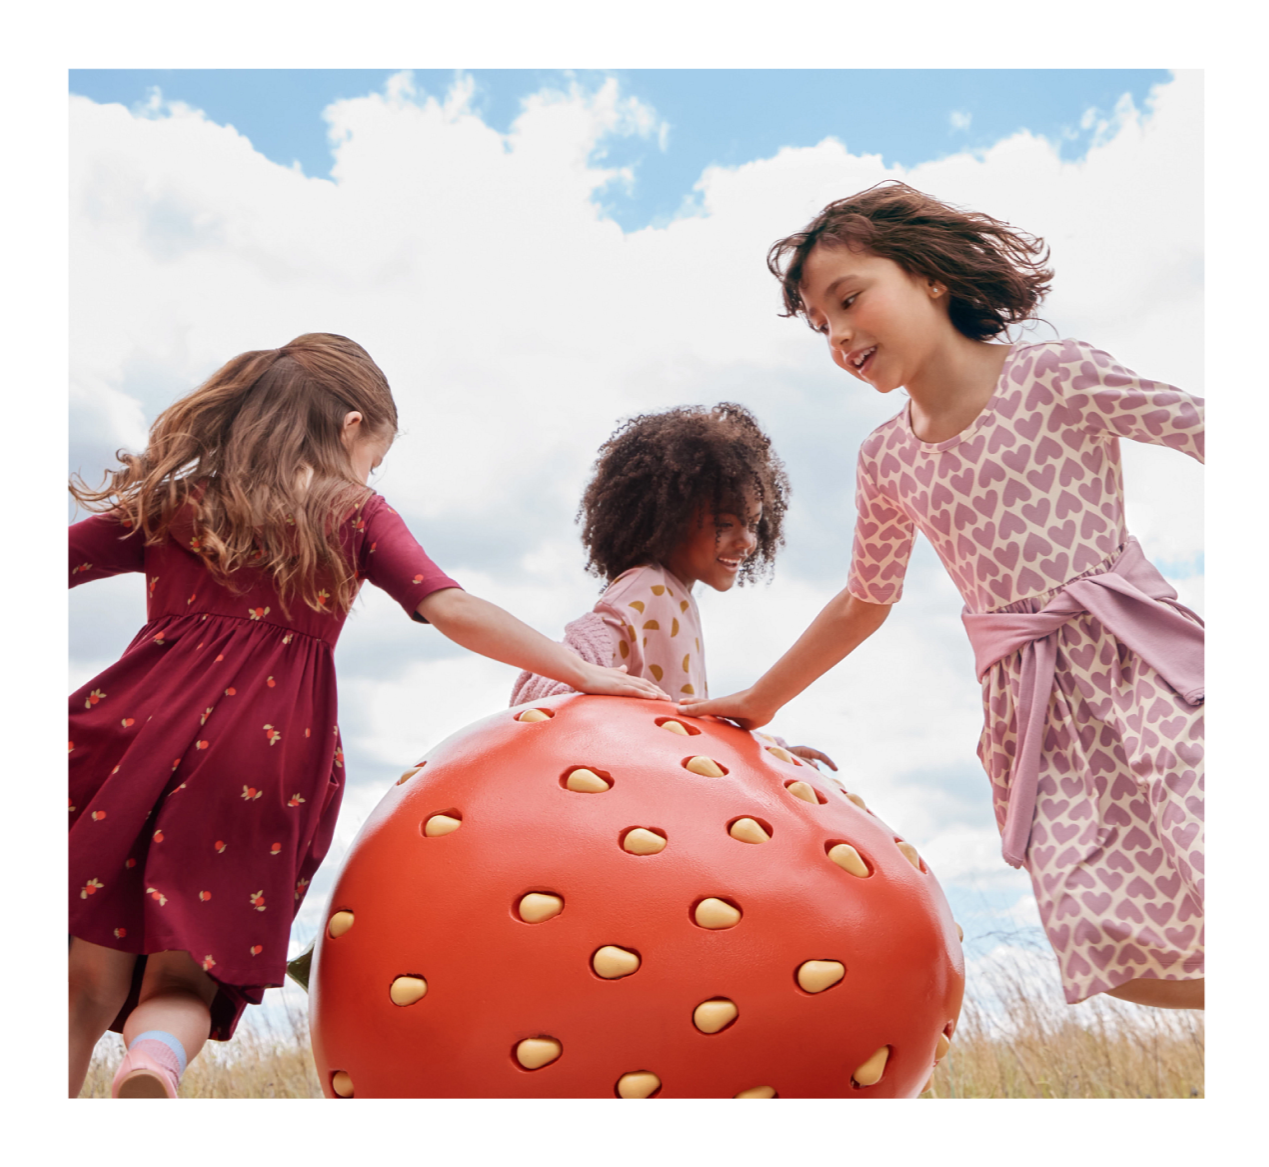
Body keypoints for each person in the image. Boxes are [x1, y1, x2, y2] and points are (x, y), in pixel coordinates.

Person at [68, 333, 667, 1099]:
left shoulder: (184, 500)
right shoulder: (352, 513)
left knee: (84, 980)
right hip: (263, 755)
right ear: (351, 427)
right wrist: (583, 671)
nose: (370, 473)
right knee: (186, 974)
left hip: (133, 731)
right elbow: (449, 605)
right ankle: (153, 1058)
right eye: (374, 457)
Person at [679, 182, 1204, 1011]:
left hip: (1147, 665)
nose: (841, 334)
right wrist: (759, 699)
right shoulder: (886, 459)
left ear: (928, 275)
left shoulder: (1054, 375)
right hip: (1033, 709)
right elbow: (864, 598)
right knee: (1104, 936)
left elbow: (1205, 427)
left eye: (850, 299)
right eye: (823, 325)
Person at [512, 403, 835, 771]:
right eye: (724, 524)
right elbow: (556, 672)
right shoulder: (647, 589)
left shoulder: (673, 596)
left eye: (753, 523)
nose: (747, 541)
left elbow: (685, 717)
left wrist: (768, 750)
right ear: (668, 519)